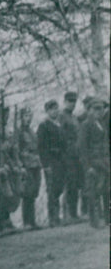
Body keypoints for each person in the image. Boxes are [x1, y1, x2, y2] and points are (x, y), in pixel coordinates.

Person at [77, 98, 110, 229]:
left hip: (104, 162)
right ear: (89, 110)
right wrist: (88, 166)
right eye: (95, 109)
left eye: (101, 108)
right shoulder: (86, 125)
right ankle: (94, 221)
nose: (99, 111)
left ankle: (108, 219)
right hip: (93, 163)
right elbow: (82, 148)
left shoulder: (101, 124)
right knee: (93, 192)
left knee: (107, 190)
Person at [36, 100, 68, 228]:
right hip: (51, 160)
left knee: (59, 187)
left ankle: (57, 215)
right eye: (52, 109)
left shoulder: (59, 125)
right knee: (52, 188)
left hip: (60, 160)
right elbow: (41, 147)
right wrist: (46, 165)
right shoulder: (43, 126)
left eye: (56, 108)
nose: (55, 111)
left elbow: (64, 143)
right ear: (47, 111)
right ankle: (53, 217)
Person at [16, 107, 42, 229]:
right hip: (26, 165)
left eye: (30, 116)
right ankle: (26, 222)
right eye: (26, 116)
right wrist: (21, 165)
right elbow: (17, 150)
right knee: (27, 193)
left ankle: (32, 221)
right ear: (21, 117)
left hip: (35, 164)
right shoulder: (19, 132)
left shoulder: (31, 131)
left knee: (34, 192)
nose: (28, 119)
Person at [58, 91, 82, 222]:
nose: (73, 104)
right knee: (69, 183)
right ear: (65, 101)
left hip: (75, 154)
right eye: (70, 101)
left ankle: (74, 213)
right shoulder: (62, 116)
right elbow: (60, 136)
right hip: (67, 155)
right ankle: (66, 214)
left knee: (75, 183)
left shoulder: (74, 117)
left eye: (74, 102)